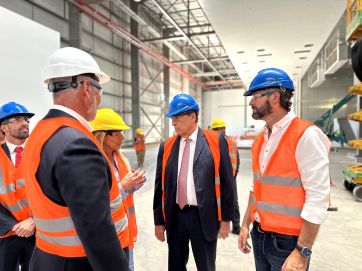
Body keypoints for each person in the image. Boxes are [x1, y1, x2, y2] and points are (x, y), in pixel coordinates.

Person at [22, 47, 129, 271]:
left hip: (48, 259)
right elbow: (96, 231)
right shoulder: (76, 144)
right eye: (100, 88)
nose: (100, 98)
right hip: (79, 263)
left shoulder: (41, 133)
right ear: (87, 87)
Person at [238, 68, 330, 271]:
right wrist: (246, 224)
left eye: (255, 96)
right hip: (259, 235)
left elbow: (317, 197)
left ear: (275, 97)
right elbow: (256, 187)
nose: (251, 102)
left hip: (288, 244)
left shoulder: (306, 135)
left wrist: (302, 251)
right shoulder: (260, 139)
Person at [153, 93, 235, 271]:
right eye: (172, 118)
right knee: (175, 266)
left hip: (203, 216)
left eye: (177, 117)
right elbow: (159, 187)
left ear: (193, 116)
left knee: (205, 265)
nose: (173, 122)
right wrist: (159, 221)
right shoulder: (166, 146)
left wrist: (227, 219)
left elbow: (228, 182)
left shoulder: (215, 140)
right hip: (175, 216)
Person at [90, 108, 145, 271]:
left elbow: (123, 194)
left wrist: (134, 183)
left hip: (124, 230)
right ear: (101, 135)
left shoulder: (119, 159)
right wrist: (123, 186)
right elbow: (94, 203)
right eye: (117, 133)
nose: (123, 137)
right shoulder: (93, 162)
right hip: (105, 235)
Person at [0, 102, 35, 271]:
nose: (24, 122)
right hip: (6, 232)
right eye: (17, 119)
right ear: (3, 127)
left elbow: (55, 191)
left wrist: (34, 221)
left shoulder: (40, 153)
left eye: (27, 119)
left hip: (38, 231)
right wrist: (13, 225)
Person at [210, 118, 241, 234]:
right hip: (216, 177)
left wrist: (233, 176)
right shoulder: (211, 142)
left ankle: (236, 226)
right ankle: (218, 224)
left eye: (222, 128)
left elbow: (237, 160)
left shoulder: (231, 142)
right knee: (216, 200)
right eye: (219, 129)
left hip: (230, 176)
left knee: (233, 201)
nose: (222, 130)